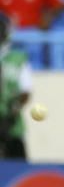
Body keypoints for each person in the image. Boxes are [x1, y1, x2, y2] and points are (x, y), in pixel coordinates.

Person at [0, 12, 32, 159]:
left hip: (12, 125)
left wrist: (12, 112)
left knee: (16, 167)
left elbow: (25, 91)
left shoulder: (17, 59)